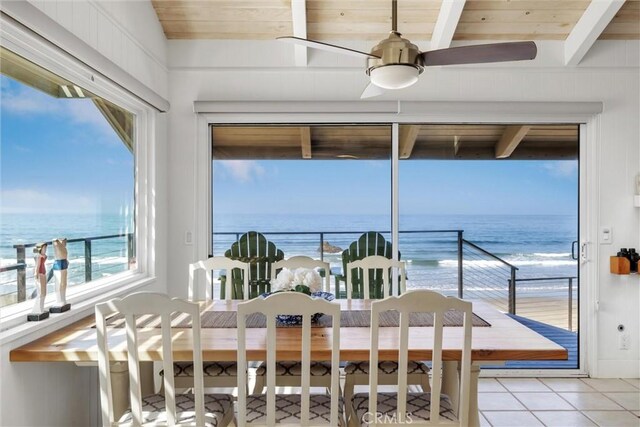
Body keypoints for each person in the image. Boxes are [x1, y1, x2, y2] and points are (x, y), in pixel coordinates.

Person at [51, 238, 70, 312]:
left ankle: (62, 299)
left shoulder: (63, 248)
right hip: (59, 265)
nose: (64, 243)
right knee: (59, 283)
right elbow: (54, 241)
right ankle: (59, 300)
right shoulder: (58, 246)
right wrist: (57, 241)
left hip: (63, 264)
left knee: (63, 283)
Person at [31, 243, 48, 318]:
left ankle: (41, 308)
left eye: (45, 249)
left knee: (44, 292)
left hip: (43, 273)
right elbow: (37, 266)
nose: (45, 250)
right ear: (40, 249)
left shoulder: (43, 256)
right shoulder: (38, 257)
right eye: (44, 248)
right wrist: (36, 274)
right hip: (39, 274)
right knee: (41, 292)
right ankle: (38, 309)